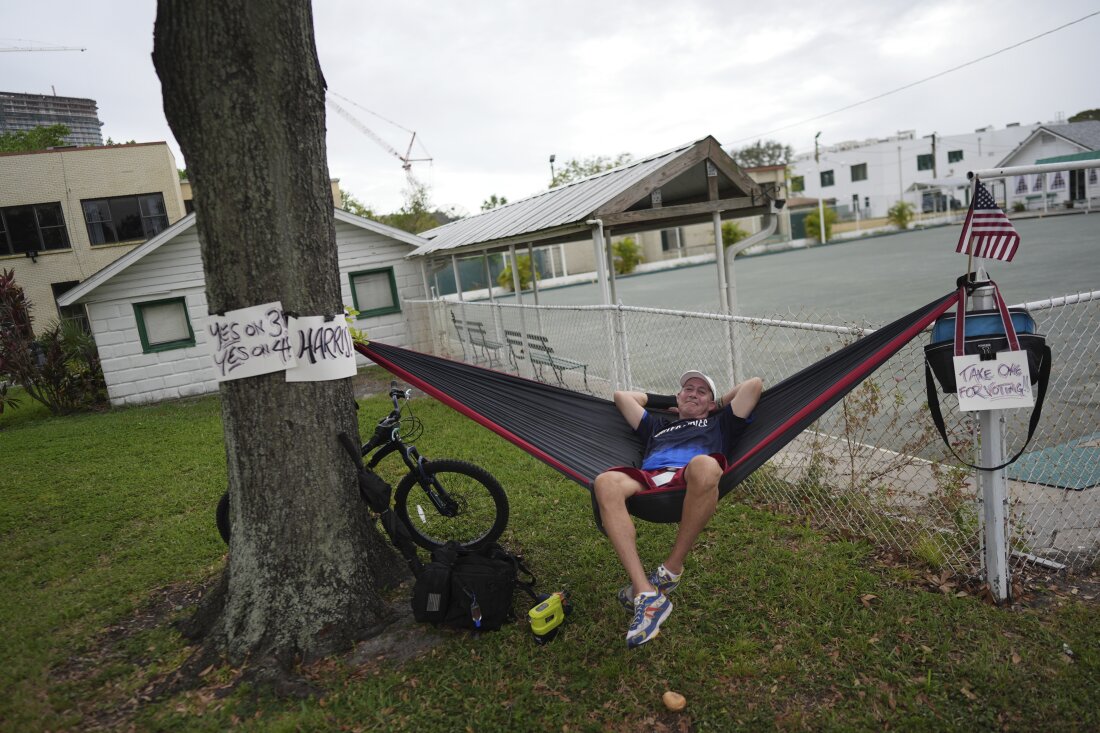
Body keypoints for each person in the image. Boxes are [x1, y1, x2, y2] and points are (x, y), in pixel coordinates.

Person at [593, 370, 763, 648]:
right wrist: (671, 402)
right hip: (650, 479)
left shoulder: (720, 423)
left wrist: (715, 405)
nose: (693, 393)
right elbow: (622, 397)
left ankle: (671, 569)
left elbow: (753, 385)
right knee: (605, 482)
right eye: (687, 389)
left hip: (688, 477)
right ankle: (645, 592)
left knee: (707, 464)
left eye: (701, 391)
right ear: (678, 397)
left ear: (711, 403)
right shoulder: (658, 425)